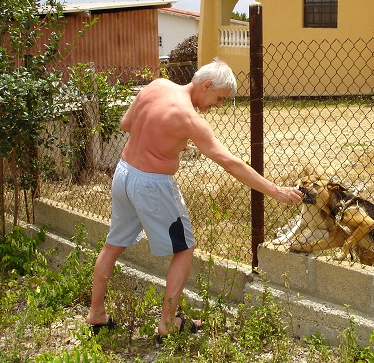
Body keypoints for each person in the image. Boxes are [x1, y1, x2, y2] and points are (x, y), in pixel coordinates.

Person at [85, 58, 303, 338]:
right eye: (219, 98)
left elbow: (126, 124)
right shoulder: (190, 118)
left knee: (113, 245)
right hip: (152, 186)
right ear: (207, 85)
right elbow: (229, 162)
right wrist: (274, 190)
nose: (218, 105)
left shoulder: (157, 85)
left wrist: (168, 143)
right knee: (184, 249)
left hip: (124, 173)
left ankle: (96, 313)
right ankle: (167, 324)